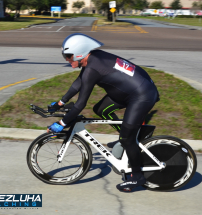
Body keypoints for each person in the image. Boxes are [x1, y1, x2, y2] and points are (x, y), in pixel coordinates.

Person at [47, 33, 159, 192]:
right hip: (130, 89)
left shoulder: (93, 68)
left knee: (127, 139)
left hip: (141, 95)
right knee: (100, 110)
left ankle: (137, 176)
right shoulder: (92, 59)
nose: (66, 59)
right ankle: (130, 138)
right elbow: (79, 81)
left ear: (80, 53)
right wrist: (61, 102)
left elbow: (80, 104)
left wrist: (61, 123)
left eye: (68, 56)